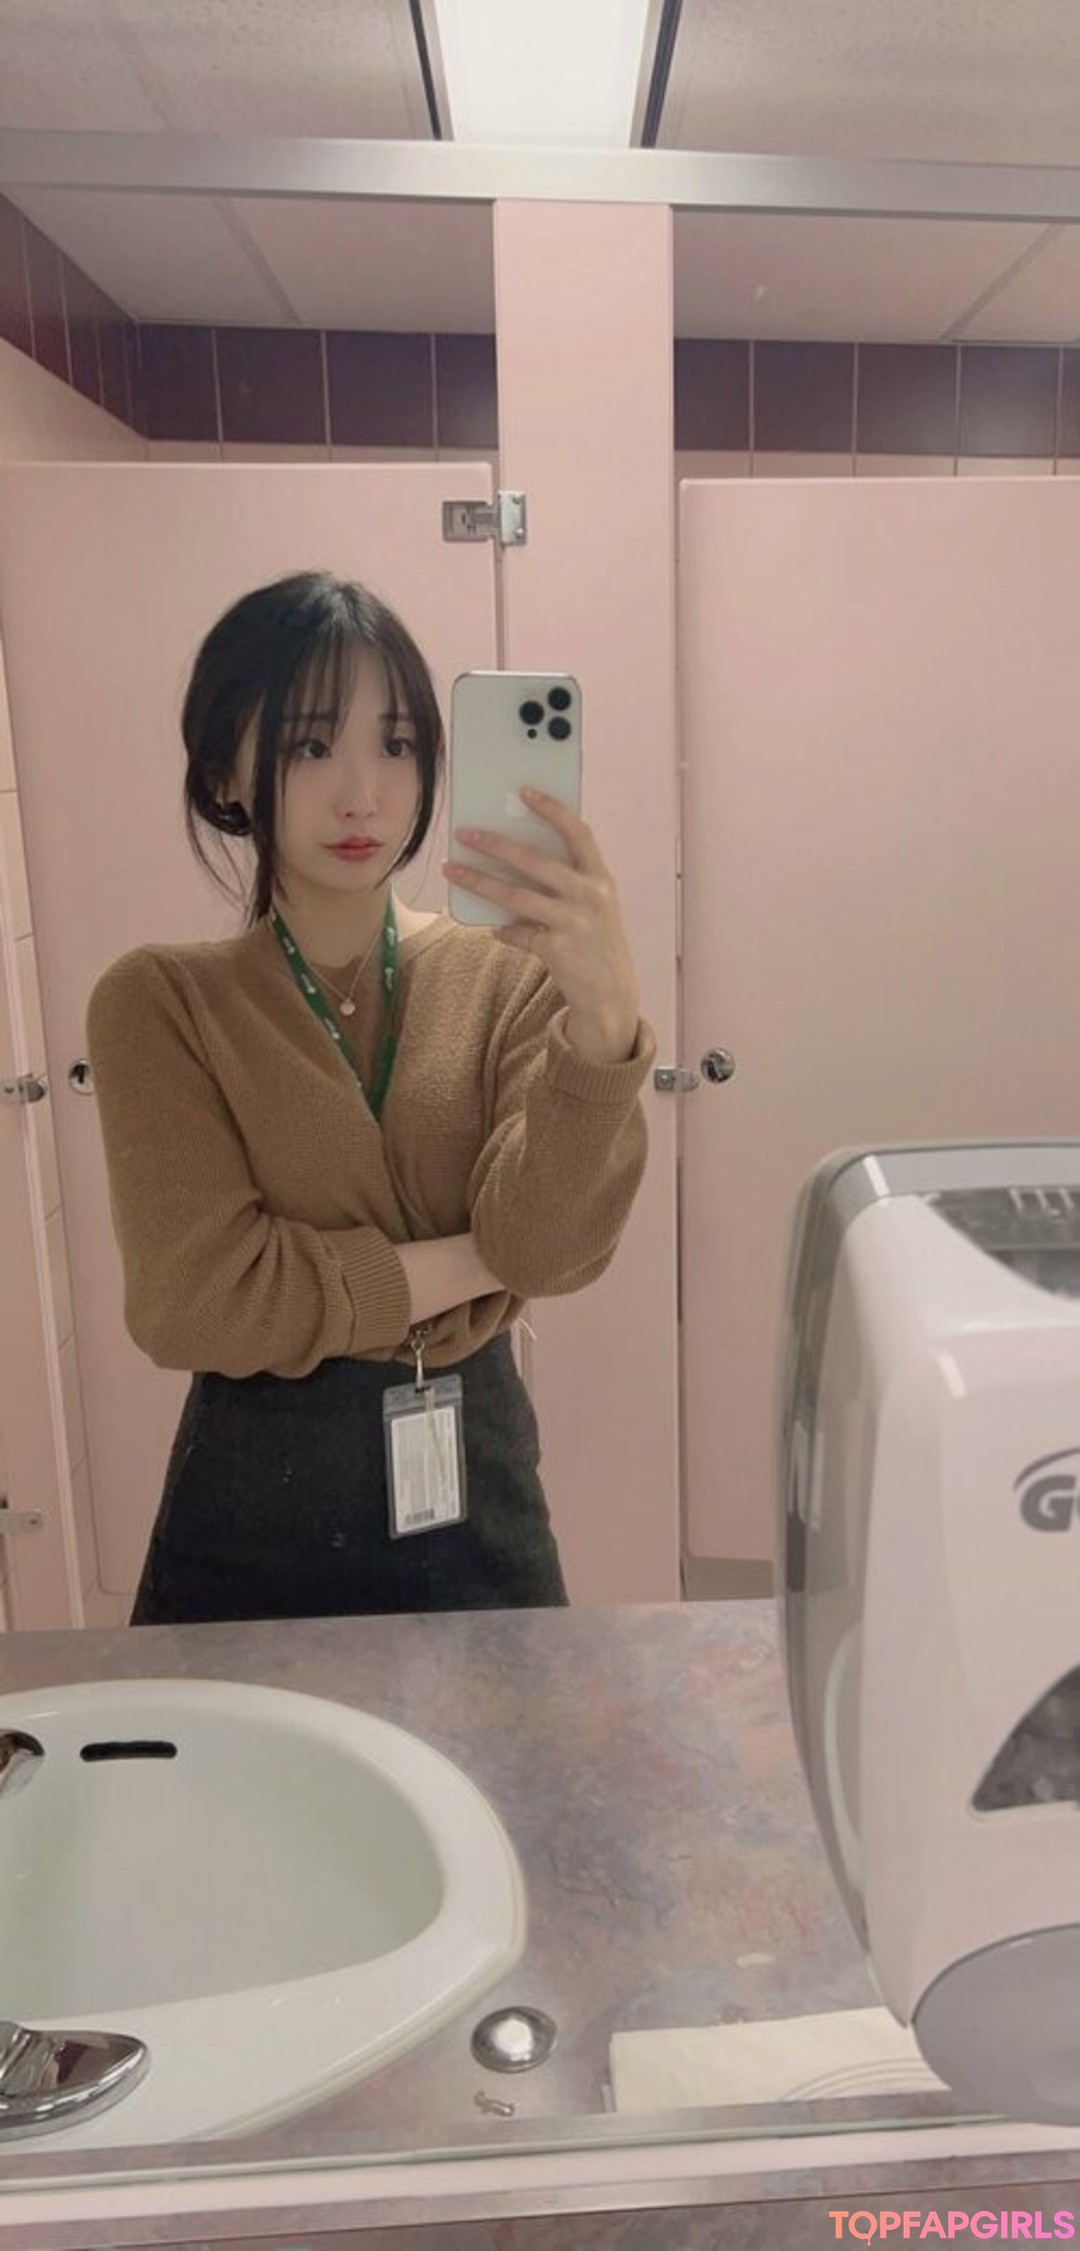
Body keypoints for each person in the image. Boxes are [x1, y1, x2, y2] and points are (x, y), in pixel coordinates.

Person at [86, 570, 656, 1623]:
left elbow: (551, 1246)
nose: (362, 794)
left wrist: (606, 1027)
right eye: (310, 746)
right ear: (225, 771)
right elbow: (194, 1304)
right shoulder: (162, 1003)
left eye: (396, 744)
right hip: (249, 1519)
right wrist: (479, 1258)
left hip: (478, 1489)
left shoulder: (513, 977)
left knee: (505, 1735)